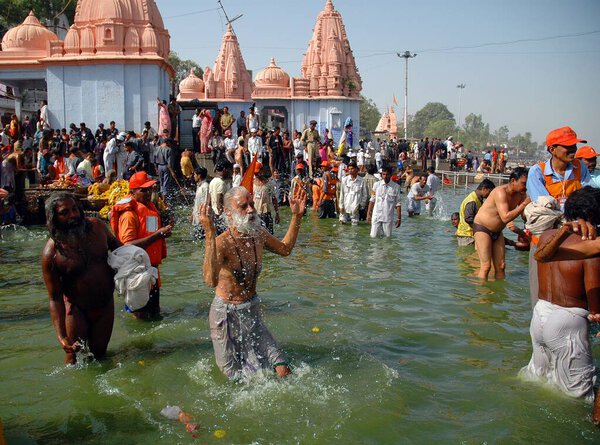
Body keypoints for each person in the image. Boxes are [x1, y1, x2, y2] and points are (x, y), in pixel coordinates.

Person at [198, 186, 307, 378]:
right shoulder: (222, 242)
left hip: (252, 310)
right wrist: (209, 233)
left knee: (283, 369)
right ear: (229, 214)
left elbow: (285, 249)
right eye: (243, 206)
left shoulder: (259, 234)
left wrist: (296, 217)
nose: (250, 210)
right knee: (234, 378)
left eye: (251, 205)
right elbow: (209, 281)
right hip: (225, 314)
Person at [520, 187, 600, 422]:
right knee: (577, 395)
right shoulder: (592, 245)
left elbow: (541, 256)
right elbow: (593, 294)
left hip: (541, 313)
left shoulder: (547, 236)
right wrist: (595, 313)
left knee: (537, 379)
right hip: (569, 320)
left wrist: (564, 232)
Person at [42, 192, 121, 363]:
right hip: (76, 309)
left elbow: (121, 251)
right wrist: (62, 337)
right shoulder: (52, 253)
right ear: (54, 218)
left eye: (75, 209)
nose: (73, 215)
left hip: (105, 304)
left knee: (100, 356)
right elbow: (54, 298)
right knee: (72, 358)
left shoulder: (98, 228)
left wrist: (153, 239)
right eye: (65, 213)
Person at [111, 172, 172, 319]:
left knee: (155, 312)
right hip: (136, 272)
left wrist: (163, 232)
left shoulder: (149, 207)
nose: (148, 192)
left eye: (149, 189)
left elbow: (150, 234)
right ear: (132, 192)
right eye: (143, 190)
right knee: (141, 316)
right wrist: (158, 235)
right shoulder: (129, 215)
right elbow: (127, 246)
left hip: (152, 269)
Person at [472, 167, 531, 280]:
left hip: (497, 231)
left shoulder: (521, 194)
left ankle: (499, 296)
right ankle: (481, 296)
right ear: (513, 180)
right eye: (523, 183)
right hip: (482, 228)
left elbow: (524, 216)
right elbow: (505, 217)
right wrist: (524, 205)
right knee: (486, 266)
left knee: (501, 266)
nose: (526, 187)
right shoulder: (500, 192)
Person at [455, 179, 496, 246]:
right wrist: (483, 230)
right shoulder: (472, 200)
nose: (490, 195)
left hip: (471, 235)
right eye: (490, 192)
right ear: (484, 189)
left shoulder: (478, 199)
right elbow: (468, 219)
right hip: (467, 236)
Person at [367, 166, 402, 237]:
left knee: (387, 238)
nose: (385, 176)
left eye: (387, 174)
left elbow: (398, 203)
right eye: (383, 174)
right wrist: (368, 214)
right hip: (376, 215)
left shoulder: (396, 187)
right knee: (373, 236)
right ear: (381, 175)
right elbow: (372, 200)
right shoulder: (376, 185)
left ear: (391, 175)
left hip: (388, 216)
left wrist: (399, 218)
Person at [253, 164, 280, 234]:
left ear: (262, 171)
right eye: (255, 173)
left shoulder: (269, 184)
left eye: (257, 173)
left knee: (269, 234)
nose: (256, 175)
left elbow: (274, 199)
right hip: (255, 214)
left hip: (266, 213)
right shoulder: (251, 183)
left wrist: (277, 214)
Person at [209, 160, 232, 235]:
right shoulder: (221, 183)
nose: (230, 173)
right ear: (225, 169)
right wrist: (222, 216)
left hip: (214, 215)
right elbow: (219, 202)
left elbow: (209, 201)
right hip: (220, 216)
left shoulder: (212, 181)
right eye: (229, 170)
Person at [192, 166, 209, 240]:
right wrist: (193, 213)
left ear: (199, 176)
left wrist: (203, 218)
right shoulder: (199, 186)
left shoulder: (205, 186)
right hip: (197, 218)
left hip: (201, 219)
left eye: (195, 174)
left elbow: (205, 203)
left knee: (199, 239)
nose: (194, 176)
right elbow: (197, 202)